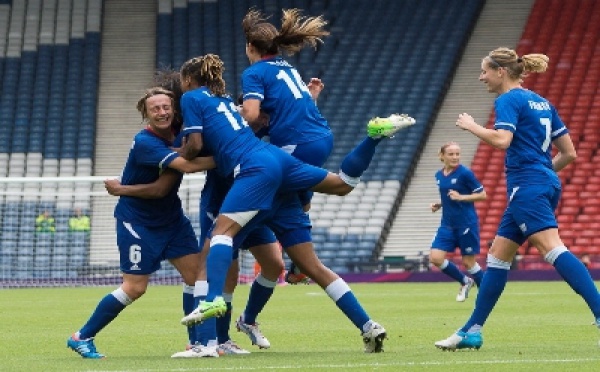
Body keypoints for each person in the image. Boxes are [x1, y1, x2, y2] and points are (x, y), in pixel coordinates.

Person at [176, 54, 414, 352]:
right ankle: (372, 139)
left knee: (224, 245)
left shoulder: (210, 109)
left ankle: (212, 332)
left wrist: (176, 156)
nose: (263, 118)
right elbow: (288, 124)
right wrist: (309, 99)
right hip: (278, 180)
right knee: (341, 188)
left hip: (254, 184)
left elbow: (198, 149)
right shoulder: (235, 115)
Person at [434, 47, 600, 351]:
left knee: (551, 247)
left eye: (485, 71)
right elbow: (570, 152)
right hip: (542, 182)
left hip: (527, 184)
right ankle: (473, 330)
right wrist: (542, 173)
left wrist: (472, 126)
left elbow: (502, 140)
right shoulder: (542, 102)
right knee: (498, 255)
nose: (481, 77)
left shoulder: (508, 99)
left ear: (501, 71)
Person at [238, 7, 410, 283]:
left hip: (296, 143)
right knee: (299, 200)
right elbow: (292, 107)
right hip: (320, 136)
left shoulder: (254, 73)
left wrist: (230, 115)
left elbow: (252, 114)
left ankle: (240, 247)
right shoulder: (287, 68)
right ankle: (295, 266)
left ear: (250, 47)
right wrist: (312, 96)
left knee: (263, 190)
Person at [66, 87, 216, 359]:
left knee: (197, 277)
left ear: (174, 109)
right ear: (146, 114)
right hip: (138, 222)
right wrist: (232, 157)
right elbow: (164, 186)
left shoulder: (180, 132)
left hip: (172, 220)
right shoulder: (145, 142)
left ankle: (196, 343)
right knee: (135, 288)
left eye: (166, 107)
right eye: (155, 109)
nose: (162, 112)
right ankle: (82, 336)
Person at [429, 141, 486, 302]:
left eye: (457, 154)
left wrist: (462, 197)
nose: (455, 157)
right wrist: (439, 204)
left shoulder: (465, 173)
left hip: (466, 224)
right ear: (442, 156)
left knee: (469, 263)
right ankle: (465, 281)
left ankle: (486, 294)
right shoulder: (439, 175)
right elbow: (448, 196)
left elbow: (482, 195)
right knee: (435, 258)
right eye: (451, 154)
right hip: (447, 224)